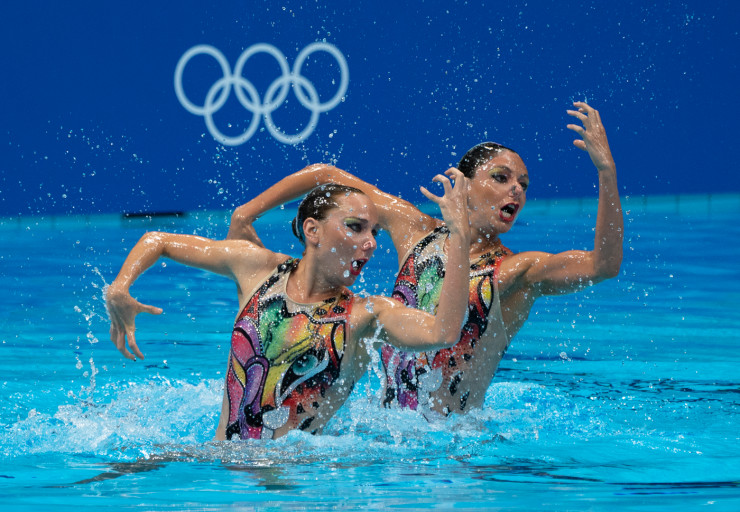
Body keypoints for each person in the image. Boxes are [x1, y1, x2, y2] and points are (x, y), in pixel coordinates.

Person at [227, 102, 623, 418]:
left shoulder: (514, 271)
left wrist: (606, 172)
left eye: (523, 184)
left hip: (454, 454)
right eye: (501, 178)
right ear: (463, 185)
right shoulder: (416, 231)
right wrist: (245, 215)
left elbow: (602, 266)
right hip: (388, 438)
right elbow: (326, 176)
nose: (516, 190)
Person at [106, 176, 472, 440]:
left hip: (297, 486)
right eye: (355, 227)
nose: (371, 243)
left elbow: (443, 332)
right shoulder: (257, 269)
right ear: (312, 230)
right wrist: (120, 289)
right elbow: (158, 241)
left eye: (374, 232)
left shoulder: (364, 316)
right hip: (222, 468)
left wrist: (459, 236)